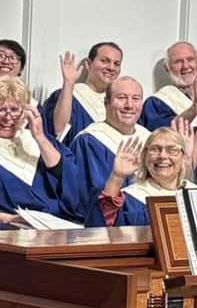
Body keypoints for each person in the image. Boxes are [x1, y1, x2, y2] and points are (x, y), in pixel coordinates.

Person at [61, 75, 179, 219]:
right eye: (122, 98)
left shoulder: (149, 138)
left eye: (136, 99)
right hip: (115, 223)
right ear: (106, 103)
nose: (129, 105)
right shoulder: (90, 141)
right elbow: (89, 198)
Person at [0, 75, 66, 228]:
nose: (8, 118)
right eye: (0, 110)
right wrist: (10, 219)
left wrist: (40, 137)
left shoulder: (37, 141)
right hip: (6, 232)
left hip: (53, 227)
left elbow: (68, 181)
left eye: (15, 109)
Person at [93, 128, 197, 228]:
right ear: (145, 156)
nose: (163, 156)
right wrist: (117, 176)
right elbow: (102, 229)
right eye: (155, 149)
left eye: (172, 150)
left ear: (183, 158)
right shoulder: (132, 199)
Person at [46, 41, 122, 141]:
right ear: (88, 64)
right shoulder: (70, 95)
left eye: (116, 64)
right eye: (104, 61)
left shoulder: (120, 104)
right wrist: (68, 84)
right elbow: (58, 130)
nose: (111, 68)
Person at [143, 41, 197, 131]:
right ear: (167, 68)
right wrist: (194, 108)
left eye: (190, 59)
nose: (185, 66)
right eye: (178, 62)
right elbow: (162, 134)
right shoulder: (157, 102)